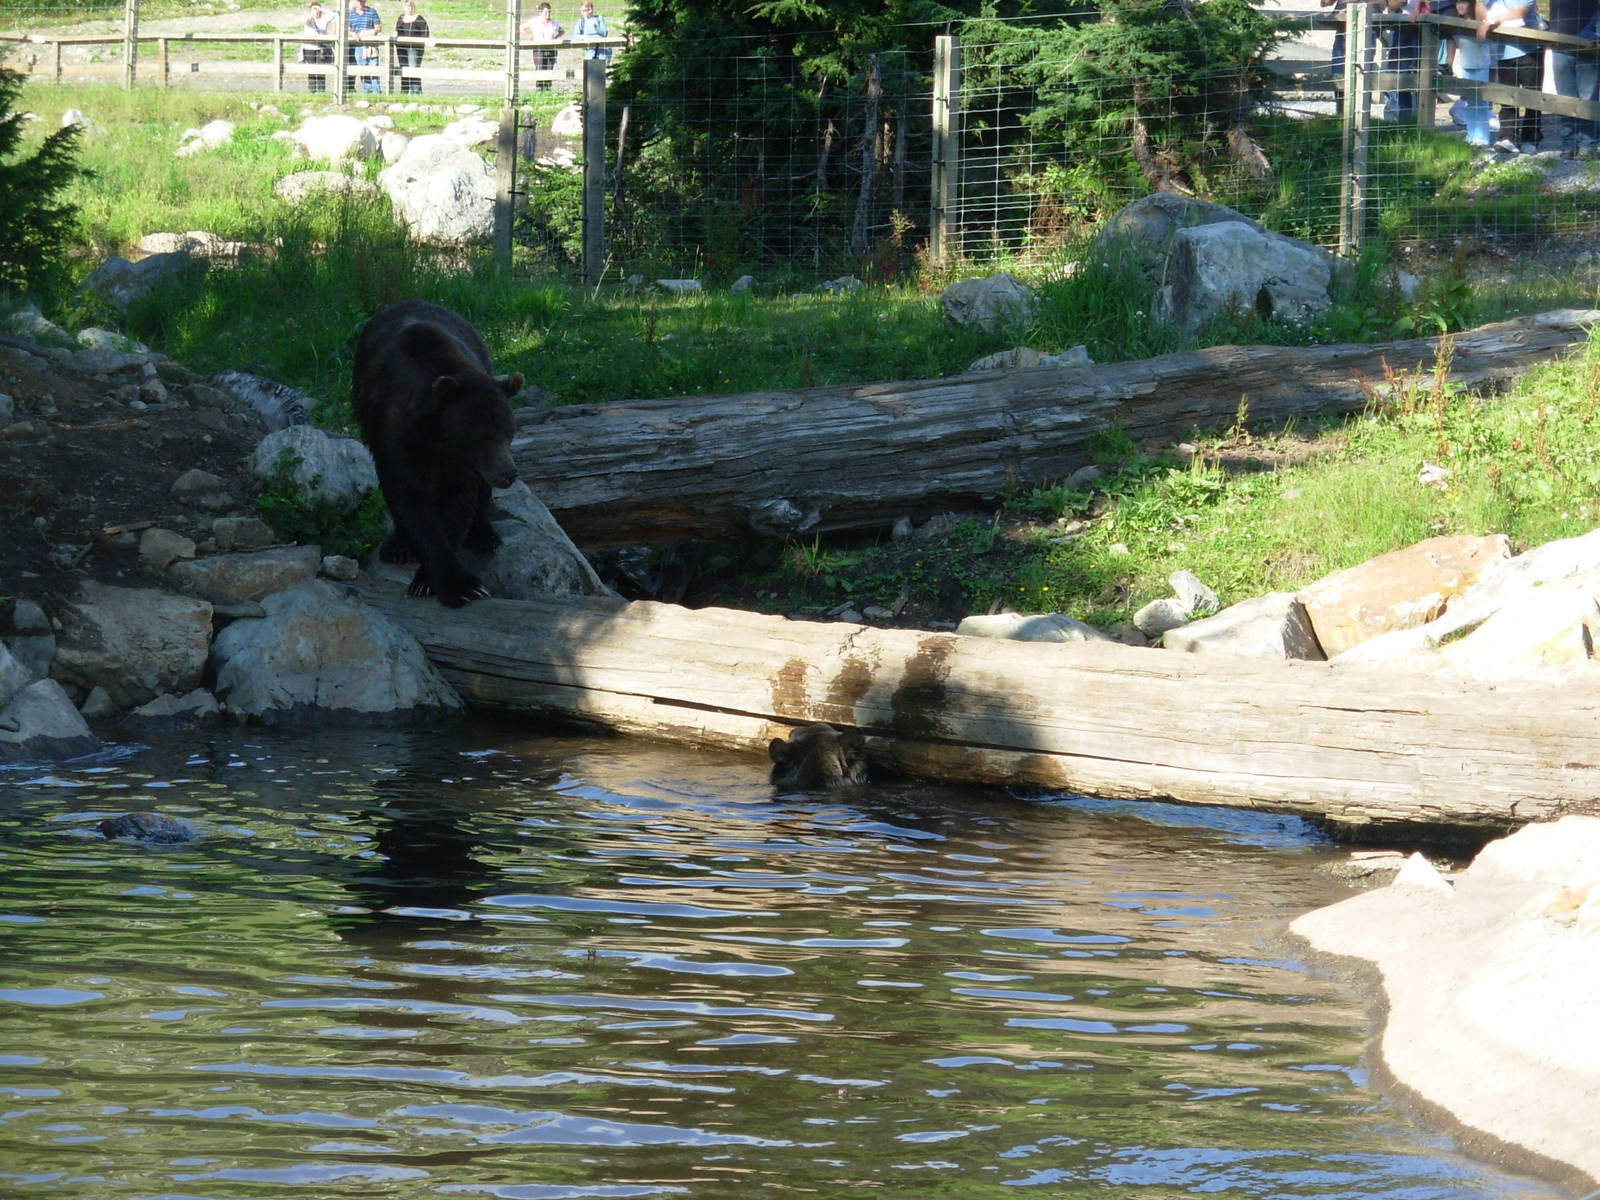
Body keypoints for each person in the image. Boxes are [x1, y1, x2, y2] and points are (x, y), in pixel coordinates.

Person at [1480, 0, 1541, 152]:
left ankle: (1530, 138)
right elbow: (1480, 6)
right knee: (1506, 98)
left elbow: (1521, 11)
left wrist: (1491, 20)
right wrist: (1484, 19)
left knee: (1532, 96)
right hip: (1502, 52)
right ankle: (1507, 137)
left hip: (1529, 50)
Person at [1547, 0, 1598, 158]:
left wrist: (1594, 31)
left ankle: (1588, 144)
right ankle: (1569, 143)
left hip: (1590, 46)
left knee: (1588, 97)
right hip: (1560, 43)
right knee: (1564, 97)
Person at [521, 2, 564, 85]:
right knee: (540, 70)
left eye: (549, 12)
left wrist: (556, 37)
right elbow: (521, 28)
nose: (548, 14)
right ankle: (540, 90)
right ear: (540, 12)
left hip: (551, 49)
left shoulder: (553, 22)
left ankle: (548, 91)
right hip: (539, 49)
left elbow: (561, 31)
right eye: (546, 12)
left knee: (549, 70)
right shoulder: (535, 21)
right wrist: (529, 36)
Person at [346, 0, 382, 95]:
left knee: (373, 67)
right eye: (359, 1)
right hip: (358, 45)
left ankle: (376, 90)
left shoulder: (371, 11)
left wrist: (368, 33)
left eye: (362, 1)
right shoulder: (351, 14)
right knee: (362, 68)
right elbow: (347, 29)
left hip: (371, 45)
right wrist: (353, 33)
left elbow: (378, 27)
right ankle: (367, 90)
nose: (360, 3)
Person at [300, 0, 334, 94]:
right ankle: (312, 89)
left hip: (321, 47)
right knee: (311, 69)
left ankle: (321, 90)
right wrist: (311, 15)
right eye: (313, 9)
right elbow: (304, 21)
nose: (316, 11)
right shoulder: (308, 19)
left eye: (317, 9)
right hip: (309, 47)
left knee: (321, 69)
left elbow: (332, 15)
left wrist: (321, 9)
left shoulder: (323, 18)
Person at [394, 0, 428, 95]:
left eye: (410, 7)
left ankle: (416, 92)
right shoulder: (400, 19)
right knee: (403, 68)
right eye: (406, 7)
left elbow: (425, 33)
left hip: (415, 48)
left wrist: (419, 42)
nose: (408, 9)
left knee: (413, 68)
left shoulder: (419, 19)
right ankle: (405, 91)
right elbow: (396, 30)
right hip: (401, 48)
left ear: (413, 8)